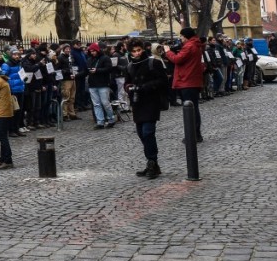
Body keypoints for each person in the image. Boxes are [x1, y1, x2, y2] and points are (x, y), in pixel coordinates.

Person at [126, 38, 168, 179]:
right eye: (134, 51)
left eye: (138, 50)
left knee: (148, 132)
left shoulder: (153, 62)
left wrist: (145, 87)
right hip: (137, 103)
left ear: (143, 49)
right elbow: (127, 82)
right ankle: (153, 163)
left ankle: (151, 161)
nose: (136, 53)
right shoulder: (130, 66)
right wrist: (129, 88)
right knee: (141, 133)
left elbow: (163, 81)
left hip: (151, 101)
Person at [166, 28, 205, 142]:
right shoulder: (196, 45)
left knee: (190, 110)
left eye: (182, 37)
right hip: (192, 80)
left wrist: (168, 51)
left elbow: (177, 59)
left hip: (187, 81)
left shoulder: (189, 46)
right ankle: (195, 133)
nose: (181, 39)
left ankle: (193, 135)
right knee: (193, 108)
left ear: (186, 36)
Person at [86, 43, 116, 129]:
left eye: (93, 51)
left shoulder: (105, 58)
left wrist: (97, 70)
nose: (92, 53)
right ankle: (100, 122)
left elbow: (109, 69)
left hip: (103, 84)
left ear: (97, 50)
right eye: (91, 51)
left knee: (105, 103)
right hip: (92, 84)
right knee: (96, 104)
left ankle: (111, 119)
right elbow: (86, 70)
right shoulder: (89, 59)